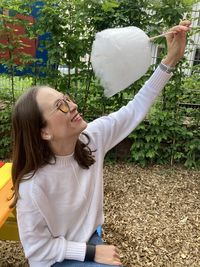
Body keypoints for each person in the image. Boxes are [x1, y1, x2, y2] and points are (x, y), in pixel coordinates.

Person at [11, 20, 190, 267]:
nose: (72, 106)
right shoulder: (33, 185)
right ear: (43, 132)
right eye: (60, 106)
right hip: (55, 259)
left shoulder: (91, 139)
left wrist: (171, 60)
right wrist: (91, 253)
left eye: (67, 99)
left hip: (89, 239)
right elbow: (38, 251)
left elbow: (136, 108)